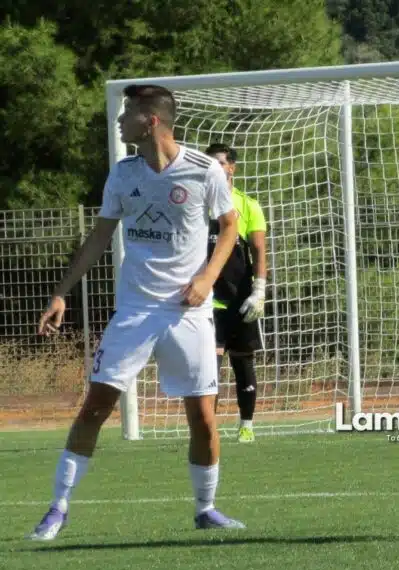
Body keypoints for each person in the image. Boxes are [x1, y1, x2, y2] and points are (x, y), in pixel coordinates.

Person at [27, 84, 245, 541]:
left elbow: (230, 227)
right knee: (95, 407)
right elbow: (99, 237)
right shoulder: (123, 173)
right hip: (135, 310)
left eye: (127, 114)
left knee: (203, 416)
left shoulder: (204, 170)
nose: (120, 121)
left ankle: (206, 508)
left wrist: (207, 278)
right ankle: (57, 508)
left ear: (151, 121)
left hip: (187, 314)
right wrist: (61, 293)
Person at [204, 143, 267, 444]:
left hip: (240, 299)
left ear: (232, 168)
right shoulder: (197, 204)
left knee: (243, 361)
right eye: (209, 163)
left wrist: (259, 290)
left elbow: (259, 250)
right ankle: (207, 429)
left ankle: (246, 426)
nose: (214, 168)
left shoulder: (248, 205)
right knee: (209, 368)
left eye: (219, 163)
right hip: (207, 301)